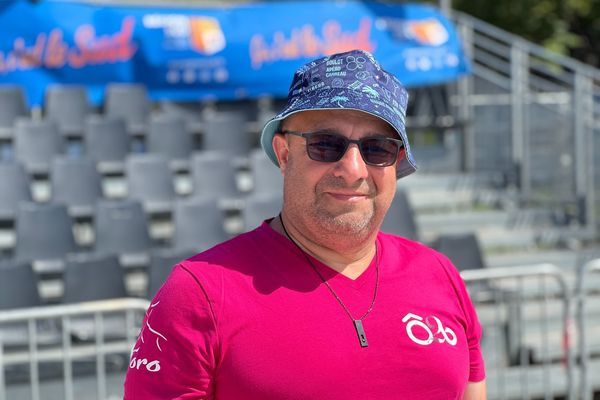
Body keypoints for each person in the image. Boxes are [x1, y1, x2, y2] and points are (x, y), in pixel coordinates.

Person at [124, 49, 486, 399]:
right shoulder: (199, 293)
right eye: (326, 145)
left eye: (377, 148)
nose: (353, 169)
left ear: (396, 163)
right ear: (284, 154)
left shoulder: (438, 274)